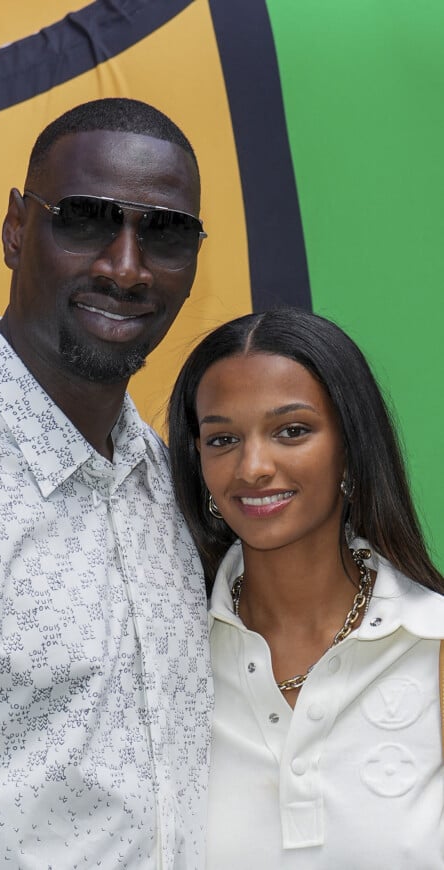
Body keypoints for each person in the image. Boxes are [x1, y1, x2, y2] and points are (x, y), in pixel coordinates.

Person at [0, 98, 212, 868]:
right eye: (85, 219)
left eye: (165, 232)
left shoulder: (168, 481)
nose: (125, 266)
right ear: (16, 228)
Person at [167, 306, 444, 868]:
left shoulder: (434, 646)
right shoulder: (166, 657)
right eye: (222, 439)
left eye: (291, 431)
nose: (253, 466)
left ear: (351, 445)